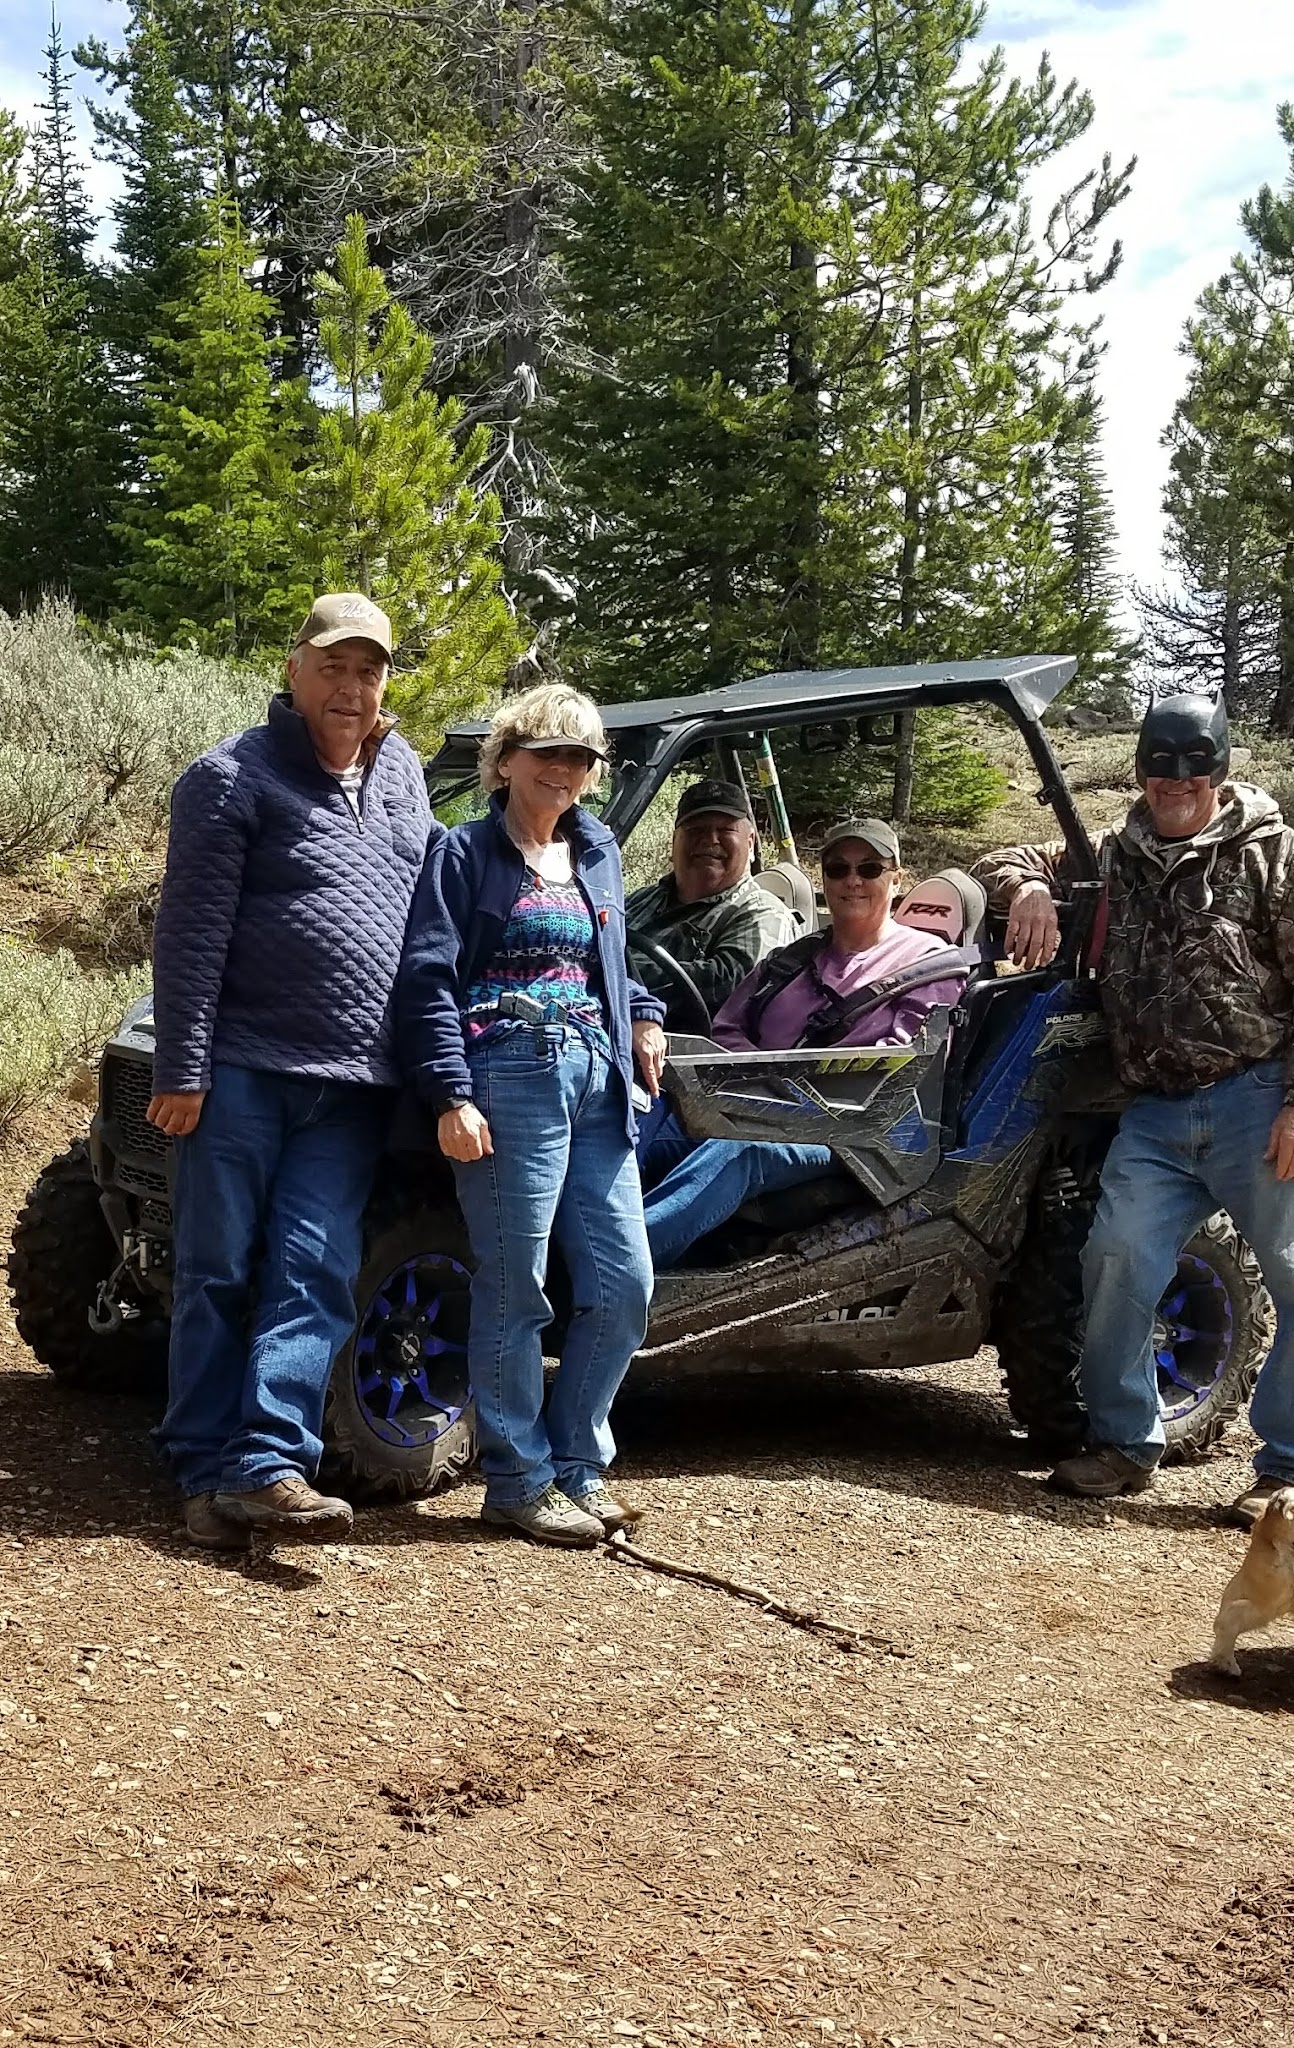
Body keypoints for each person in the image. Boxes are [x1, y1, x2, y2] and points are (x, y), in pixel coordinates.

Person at [148, 593, 433, 1550]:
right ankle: (200, 1465)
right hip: (241, 1070)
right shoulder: (228, 777)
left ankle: (268, 1463)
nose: (351, 689)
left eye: (369, 670)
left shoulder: (403, 774)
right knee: (217, 1269)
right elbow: (189, 939)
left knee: (313, 1271)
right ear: (294, 669)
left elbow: (437, 906)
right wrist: (183, 1068)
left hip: (356, 1083)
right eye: (334, 667)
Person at [972, 691, 1294, 1523]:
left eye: (1195, 763)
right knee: (1113, 1260)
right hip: (1150, 1107)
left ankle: (1285, 1469)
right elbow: (1003, 860)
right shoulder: (1117, 851)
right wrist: (1029, 891)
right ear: (1142, 768)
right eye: (1160, 762)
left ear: (1221, 770)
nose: (1176, 780)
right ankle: (1122, 1441)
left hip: (1254, 1095)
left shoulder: (1273, 856)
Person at [398, 683, 667, 1549]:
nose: (565, 770)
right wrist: (450, 1092)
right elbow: (428, 978)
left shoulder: (596, 850)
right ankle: (517, 1479)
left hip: (597, 1073)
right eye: (548, 752)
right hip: (507, 1072)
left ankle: (579, 1467)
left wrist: (646, 1013)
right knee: (517, 1290)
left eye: (582, 757)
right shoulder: (464, 852)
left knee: (624, 1285)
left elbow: (610, 959)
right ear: (505, 760)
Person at [641, 818, 971, 1270]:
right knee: (643, 1122)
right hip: (745, 1105)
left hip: (857, 1132)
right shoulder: (792, 960)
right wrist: (754, 1081)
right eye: (837, 869)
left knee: (742, 1152)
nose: (852, 880)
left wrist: (779, 1095)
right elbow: (728, 1028)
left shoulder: (930, 967)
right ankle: (563, 1246)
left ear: (896, 878)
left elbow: (898, 1068)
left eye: (870, 869)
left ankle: (617, 1274)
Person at [626, 779, 795, 1024]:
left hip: (686, 1054)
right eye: (696, 830)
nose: (710, 840)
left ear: (750, 842)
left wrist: (611, 973)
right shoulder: (637, 901)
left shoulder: (763, 914)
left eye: (726, 830)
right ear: (674, 842)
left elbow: (730, 984)